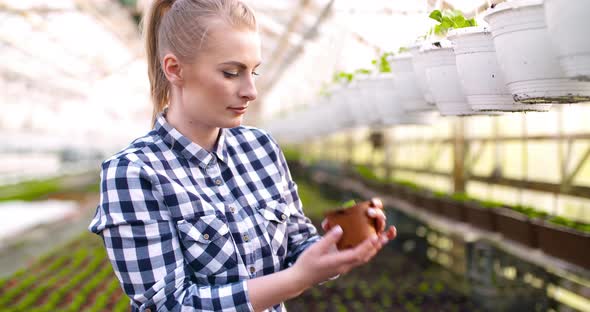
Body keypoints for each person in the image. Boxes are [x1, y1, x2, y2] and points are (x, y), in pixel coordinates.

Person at [88, 0, 397, 311]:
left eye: (254, 72)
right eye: (231, 73)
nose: (250, 90)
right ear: (175, 69)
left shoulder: (261, 149)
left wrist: (339, 246)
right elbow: (171, 304)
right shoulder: (134, 172)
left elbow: (297, 244)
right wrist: (297, 279)